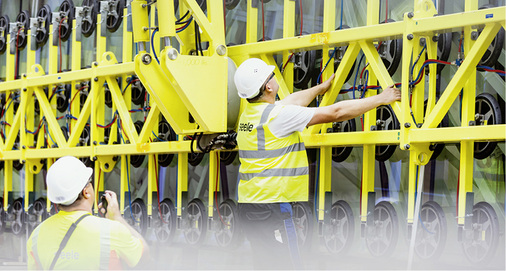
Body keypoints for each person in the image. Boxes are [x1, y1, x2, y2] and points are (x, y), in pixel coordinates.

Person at [234, 58, 401, 269]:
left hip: (249, 207)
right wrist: (380, 98)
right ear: (268, 86)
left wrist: (320, 89)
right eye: (272, 75)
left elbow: (292, 101)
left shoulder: (249, 116)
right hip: (273, 209)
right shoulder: (277, 117)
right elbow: (336, 113)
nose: (275, 77)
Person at [27, 156, 149, 270]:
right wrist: (117, 218)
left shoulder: (35, 237)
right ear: (86, 192)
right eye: (90, 181)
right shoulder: (111, 230)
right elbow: (145, 258)